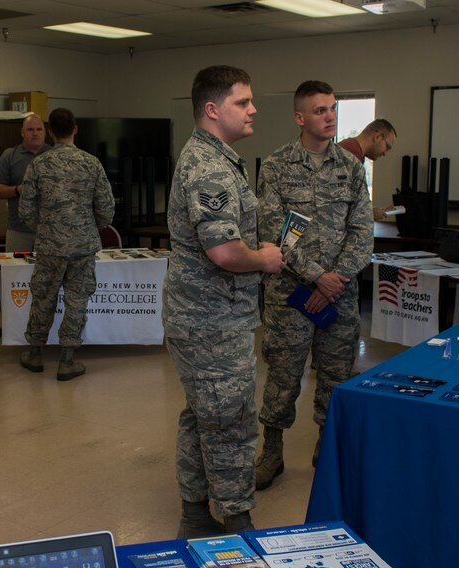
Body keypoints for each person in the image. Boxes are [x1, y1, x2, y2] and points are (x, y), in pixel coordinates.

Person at [163, 65, 284, 537]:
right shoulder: (210, 168)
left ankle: (195, 515)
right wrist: (265, 259)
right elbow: (225, 252)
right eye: (243, 102)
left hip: (209, 317)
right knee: (230, 423)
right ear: (213, 110)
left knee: (203, 416)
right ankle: (237, 523)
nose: (253, 109)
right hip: (211, 321)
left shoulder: (215, 158)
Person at [255, 80, 373, 490]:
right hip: (291, 296)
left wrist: (334, 280)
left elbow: (362, 231)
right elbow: (273, 231)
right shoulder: (275, 166)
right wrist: (315, 276)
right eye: (320, 110)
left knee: (337, 376)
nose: (330, 117)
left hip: (339, 296)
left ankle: (327, 445)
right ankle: (271, 451)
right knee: (283, 376)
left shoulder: (352, 168)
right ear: (300, 117)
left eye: (333, 109)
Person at [18, 108, 115, 381]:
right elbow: (106, 209)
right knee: (76, 300)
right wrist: (87, 228)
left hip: (49, 246)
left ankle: (35, 354)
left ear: (50, 132)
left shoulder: (37, 164)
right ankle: (67, 360)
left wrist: (47, 230)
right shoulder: (91, 163)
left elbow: (25, 210)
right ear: (75, 129)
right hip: (83, 247)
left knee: (43, 298)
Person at [0, 113, 51, 251]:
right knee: (15, 271)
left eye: (39, 129)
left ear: (45, 132)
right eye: (30, 129)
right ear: (22, 132)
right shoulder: (10, 155)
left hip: (49, 230)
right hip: (18, 230)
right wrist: (18, 190)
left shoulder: (54, 155)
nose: (35, 133)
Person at [338, 119, 397, 221]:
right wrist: (370, 213)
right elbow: (337, 205)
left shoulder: (352, 152)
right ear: (377, 137)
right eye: (387, 147)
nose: (385, 153)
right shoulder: (349, 156)